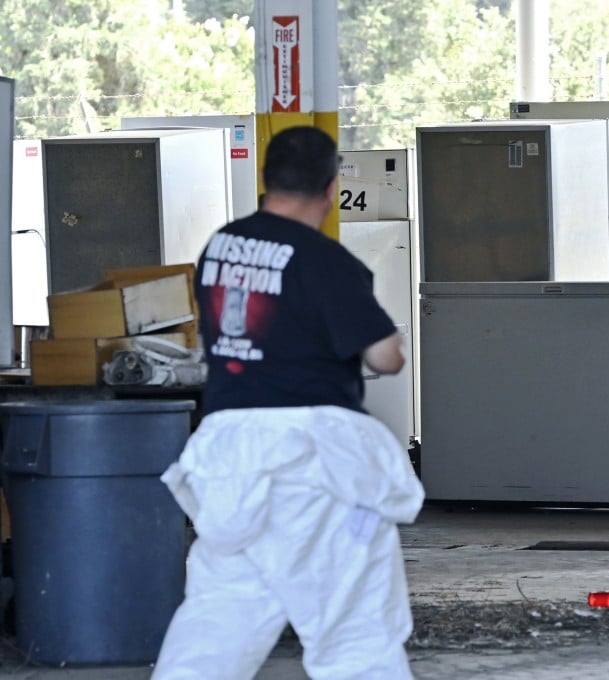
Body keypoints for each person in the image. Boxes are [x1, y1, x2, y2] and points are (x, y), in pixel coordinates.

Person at [151, 126, 425, 680]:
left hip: (227, 455)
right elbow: (385, 357)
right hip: (312, 460)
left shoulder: (220, 248)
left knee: (218, 618)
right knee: (353, 627)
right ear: (329, 190)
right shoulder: (324, 260)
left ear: (265, 179)